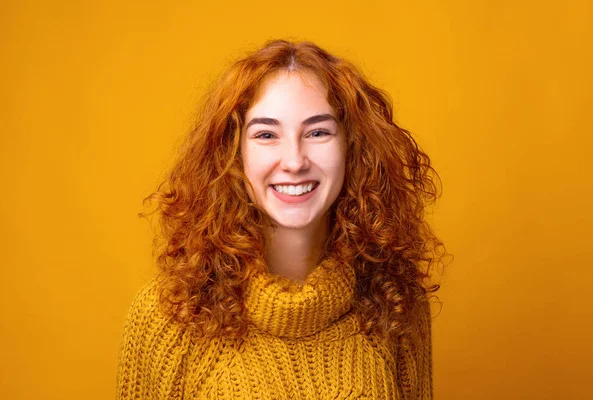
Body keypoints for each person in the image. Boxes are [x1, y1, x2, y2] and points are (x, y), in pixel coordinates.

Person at [116, 39, 448, 400]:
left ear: (352, 147)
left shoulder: (395, 302)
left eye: (318, 132)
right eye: (266, 135)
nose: (294, 160)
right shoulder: (168, 315)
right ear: (232, 153)